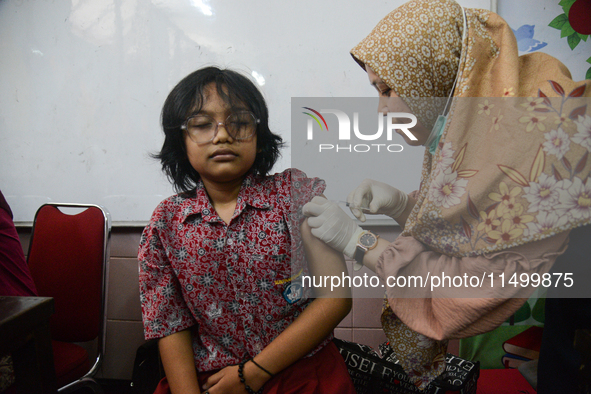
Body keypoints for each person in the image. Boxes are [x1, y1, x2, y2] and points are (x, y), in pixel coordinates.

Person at [302, 0, 591, 390]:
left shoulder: (537, 139)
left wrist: (358, 242)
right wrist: (407, 206)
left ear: (432, 76)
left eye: (387, 89)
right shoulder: (504, 124)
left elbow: (472, 283)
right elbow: (482, 221)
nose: (381, 111)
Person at [138, 66, 355, 394]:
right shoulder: (166, 222)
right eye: (201, 124)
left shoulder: (296, 194)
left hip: (303, 373)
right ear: (180, 139)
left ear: (259, 133)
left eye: (238, 122)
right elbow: (170, 324)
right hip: (210, 382)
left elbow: (335, 298)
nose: (222, 135)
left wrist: (252, 374)